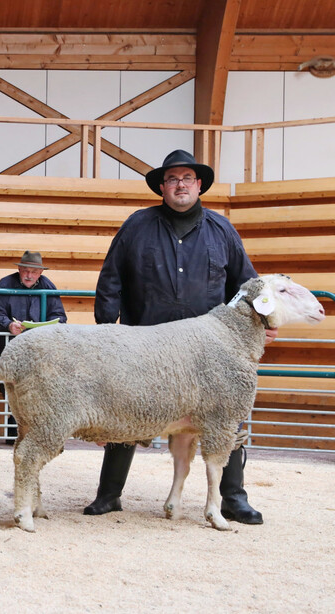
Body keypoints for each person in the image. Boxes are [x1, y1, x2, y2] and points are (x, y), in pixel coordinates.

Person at [85, 149, 274, 524]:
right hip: (145, 346)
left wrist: (265, 320)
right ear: (162, 187)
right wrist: (107, 333)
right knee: (126, 411)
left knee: (225, 419)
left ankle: (233, 498)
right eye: (172, 179)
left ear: (199, 184)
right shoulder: (136, 226)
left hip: (209, 353)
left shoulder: (222, 230)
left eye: (187, 178)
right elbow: (110, 281)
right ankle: (109, 494)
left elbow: (248, 284)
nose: (180, 184)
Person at [0, 250, 67, 441]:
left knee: (38, 384)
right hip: (10, 345)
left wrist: (46, 327)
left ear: (40, 272)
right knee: (10, 383)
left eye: (34, 272)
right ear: (19, 269)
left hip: (38, 347)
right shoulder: (5, 284)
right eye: (25, 271)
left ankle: (34, 429)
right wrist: (9, 325)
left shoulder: (49, 286)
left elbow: (60, 316)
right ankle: (13, 427)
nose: (29, 275)